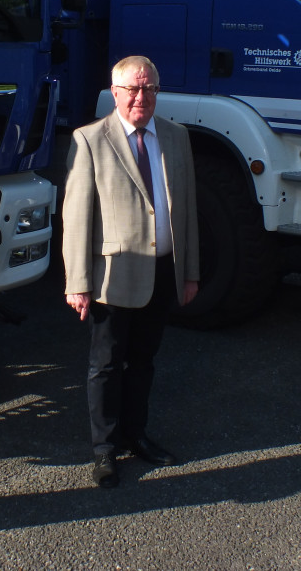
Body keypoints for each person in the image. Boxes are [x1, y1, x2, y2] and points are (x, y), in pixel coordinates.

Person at [62, 56, 200, 488]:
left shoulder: (177, 138)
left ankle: (135, 435)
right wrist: (77, 282)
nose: (142, 97)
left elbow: (189, 211)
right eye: (133, 90)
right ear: (115, 92)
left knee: (144, 361)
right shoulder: (90, 140)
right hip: (113, 274)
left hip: (162, 271)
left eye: (150, 89)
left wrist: (190, 272)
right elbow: (77, 217)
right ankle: (104, 450)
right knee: (105, 364)